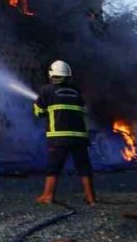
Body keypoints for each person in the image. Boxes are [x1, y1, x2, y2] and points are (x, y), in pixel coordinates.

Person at [33, 60, 96, 206]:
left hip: (58, 137)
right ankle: (91, 198)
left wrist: (41, 108)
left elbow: (38, 112)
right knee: (83, 166)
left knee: (53, 167)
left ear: (51, 75)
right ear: (68, 76)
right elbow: (85, 110)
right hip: (79, 136)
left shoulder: (46, 90)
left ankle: (48, 196)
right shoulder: (76, 91)